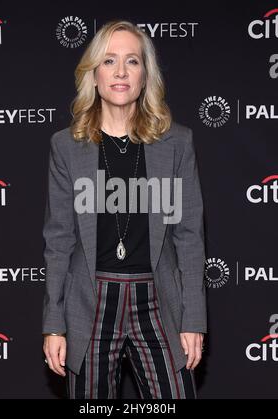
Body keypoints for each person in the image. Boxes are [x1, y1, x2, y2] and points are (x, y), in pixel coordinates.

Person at [42, 19, 207, 399]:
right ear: (93, 74)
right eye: (109, 61)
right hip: (91, 299)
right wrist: (54, 324)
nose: (120, 72)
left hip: (158, 300)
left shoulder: (177, 143)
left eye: (132, 61)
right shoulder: (67, 147)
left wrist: (193, 319)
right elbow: (59, 240)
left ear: (145, 74)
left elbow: (190, 238)